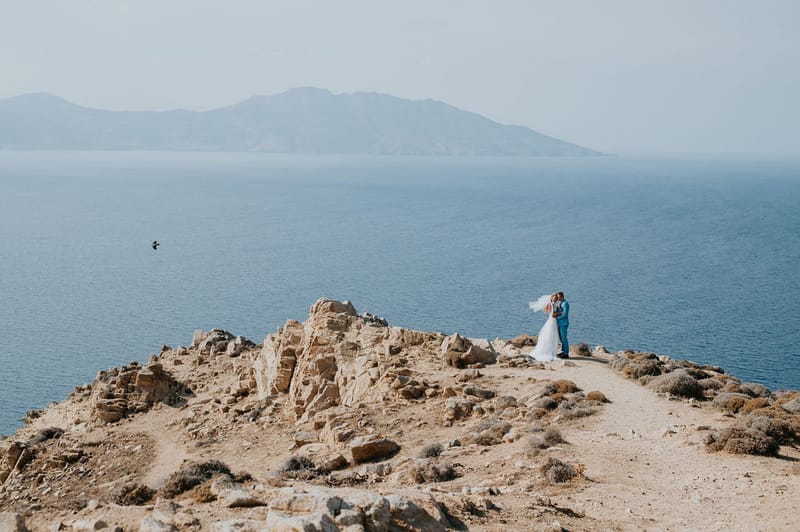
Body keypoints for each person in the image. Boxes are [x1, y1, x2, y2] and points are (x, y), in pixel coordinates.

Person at [529, 294, 560, 362]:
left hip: (554, 321)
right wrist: (560, 313)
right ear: (551, 298)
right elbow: (552, 314)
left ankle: (551, 350)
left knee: (553, 336)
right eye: (554, 298)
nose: (555, 299)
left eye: (556, 298)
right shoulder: (551, 304)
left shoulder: (555, 304)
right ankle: (547, 351)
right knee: (549, 335)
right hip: (552, 320)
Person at [553, 291, 570, 358]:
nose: (558, 298)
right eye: (557, 297)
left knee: (564, 338)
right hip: (559, 323)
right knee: (561, 338)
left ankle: (566, 353)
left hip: (563, 323)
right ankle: (563, 351)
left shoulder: (565, 304)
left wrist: (557, 317)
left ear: (562, 296)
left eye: (559, 297)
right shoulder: (560, 303)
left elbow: (565, 314)